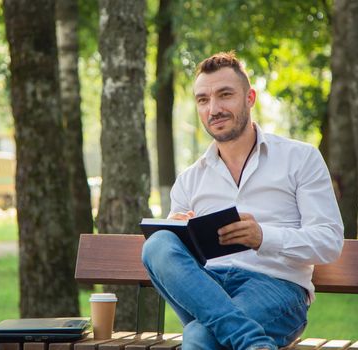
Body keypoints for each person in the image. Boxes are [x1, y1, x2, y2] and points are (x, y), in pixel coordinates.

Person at [141, 51, 344, 350]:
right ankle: (252, 343)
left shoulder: (300, 158)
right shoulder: (189, 179)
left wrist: (264, 237)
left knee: (200, 336)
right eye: (203, 100)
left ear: (250, 98)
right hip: (208, 289)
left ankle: (247, 340)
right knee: (157, 244)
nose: (214, 109)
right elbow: (179, 266)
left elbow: (329, 242)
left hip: (277, 289)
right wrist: (181, 235)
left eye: (225, 95)